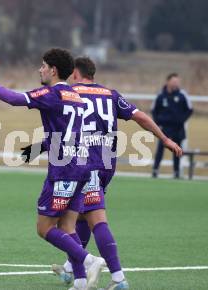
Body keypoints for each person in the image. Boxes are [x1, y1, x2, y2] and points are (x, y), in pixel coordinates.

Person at [22, 57, 182, 290]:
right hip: (107, 162)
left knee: (94, 217)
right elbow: (140, 116)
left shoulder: (70, 93)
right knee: (80, 214)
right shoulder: (110, 94)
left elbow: (65, 133)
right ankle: (72, 267)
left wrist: (36, 149)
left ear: (74, 73)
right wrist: (165, 138)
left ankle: (117, 278)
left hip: (85, 162)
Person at [0, 49, 105, 290]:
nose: (39, 69)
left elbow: (14, 99)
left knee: (44, 228)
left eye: (43, 66)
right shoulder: (75, 96)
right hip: (82, 166)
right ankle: (81, 282)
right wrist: (39, 148)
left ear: (53, 70)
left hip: (64, 171)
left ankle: (89, 260)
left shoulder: (53, 93)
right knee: (68, 227)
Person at [151, 73, 192, 178]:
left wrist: (181, 120)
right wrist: (158, 124)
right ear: (168, 81)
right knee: (160, 149)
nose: (176, 83)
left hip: (177, 128)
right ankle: (155, 170)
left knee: (177, 150)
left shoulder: (182, 95)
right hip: (164, 129)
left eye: (177, 82)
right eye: (174, 81)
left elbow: (189, 110)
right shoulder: (160, 95)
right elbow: (154, 110)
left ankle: (176, 172)